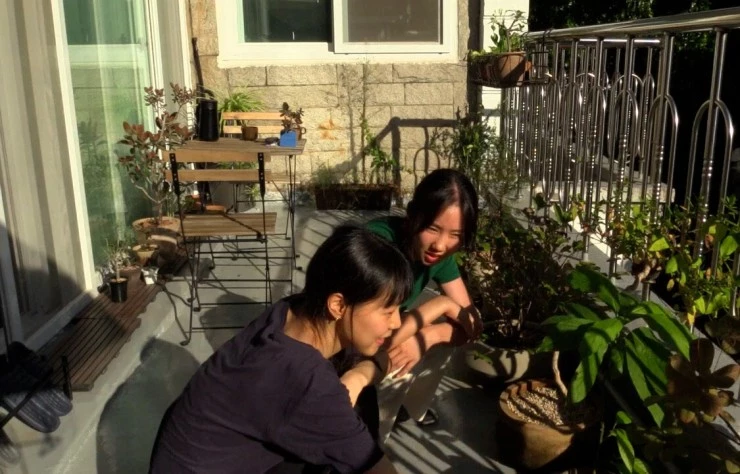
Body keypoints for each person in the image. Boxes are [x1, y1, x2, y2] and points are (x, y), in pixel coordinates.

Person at [149, 225, 414, 474]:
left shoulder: (290, 312)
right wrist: (366, 372)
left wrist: (360, 374)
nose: (396, 322)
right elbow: (376, 468)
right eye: (387, 311)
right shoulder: (307, 381)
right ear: (338, 306)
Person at [343, 168, 483, 443]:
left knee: (440, 337)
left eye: (455, 234)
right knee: (401, 362)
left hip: (382, 333)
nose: (440, 245)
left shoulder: (440, 256)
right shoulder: (380, 245)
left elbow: (472, 323)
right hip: (348, 348)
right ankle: (370, 440)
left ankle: (407, 408)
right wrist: (439, 306)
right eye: (432, 228)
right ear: (412, 215)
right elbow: (373, 339)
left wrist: (429, 336)